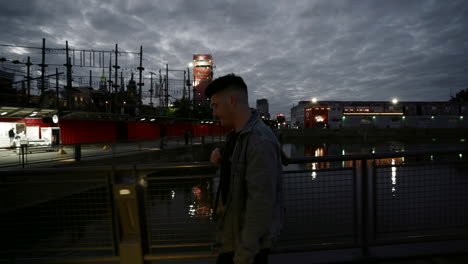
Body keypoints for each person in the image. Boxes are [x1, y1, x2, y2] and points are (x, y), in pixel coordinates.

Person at [207, 74, 284, 264]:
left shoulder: (259, 141)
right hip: (235, 238)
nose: (214, 113)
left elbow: (260, 206)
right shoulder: (237, 134)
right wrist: (221, 157)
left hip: (246, 249)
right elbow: (240, 165)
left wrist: (243, 256)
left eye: (215, 105)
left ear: (232, 101)